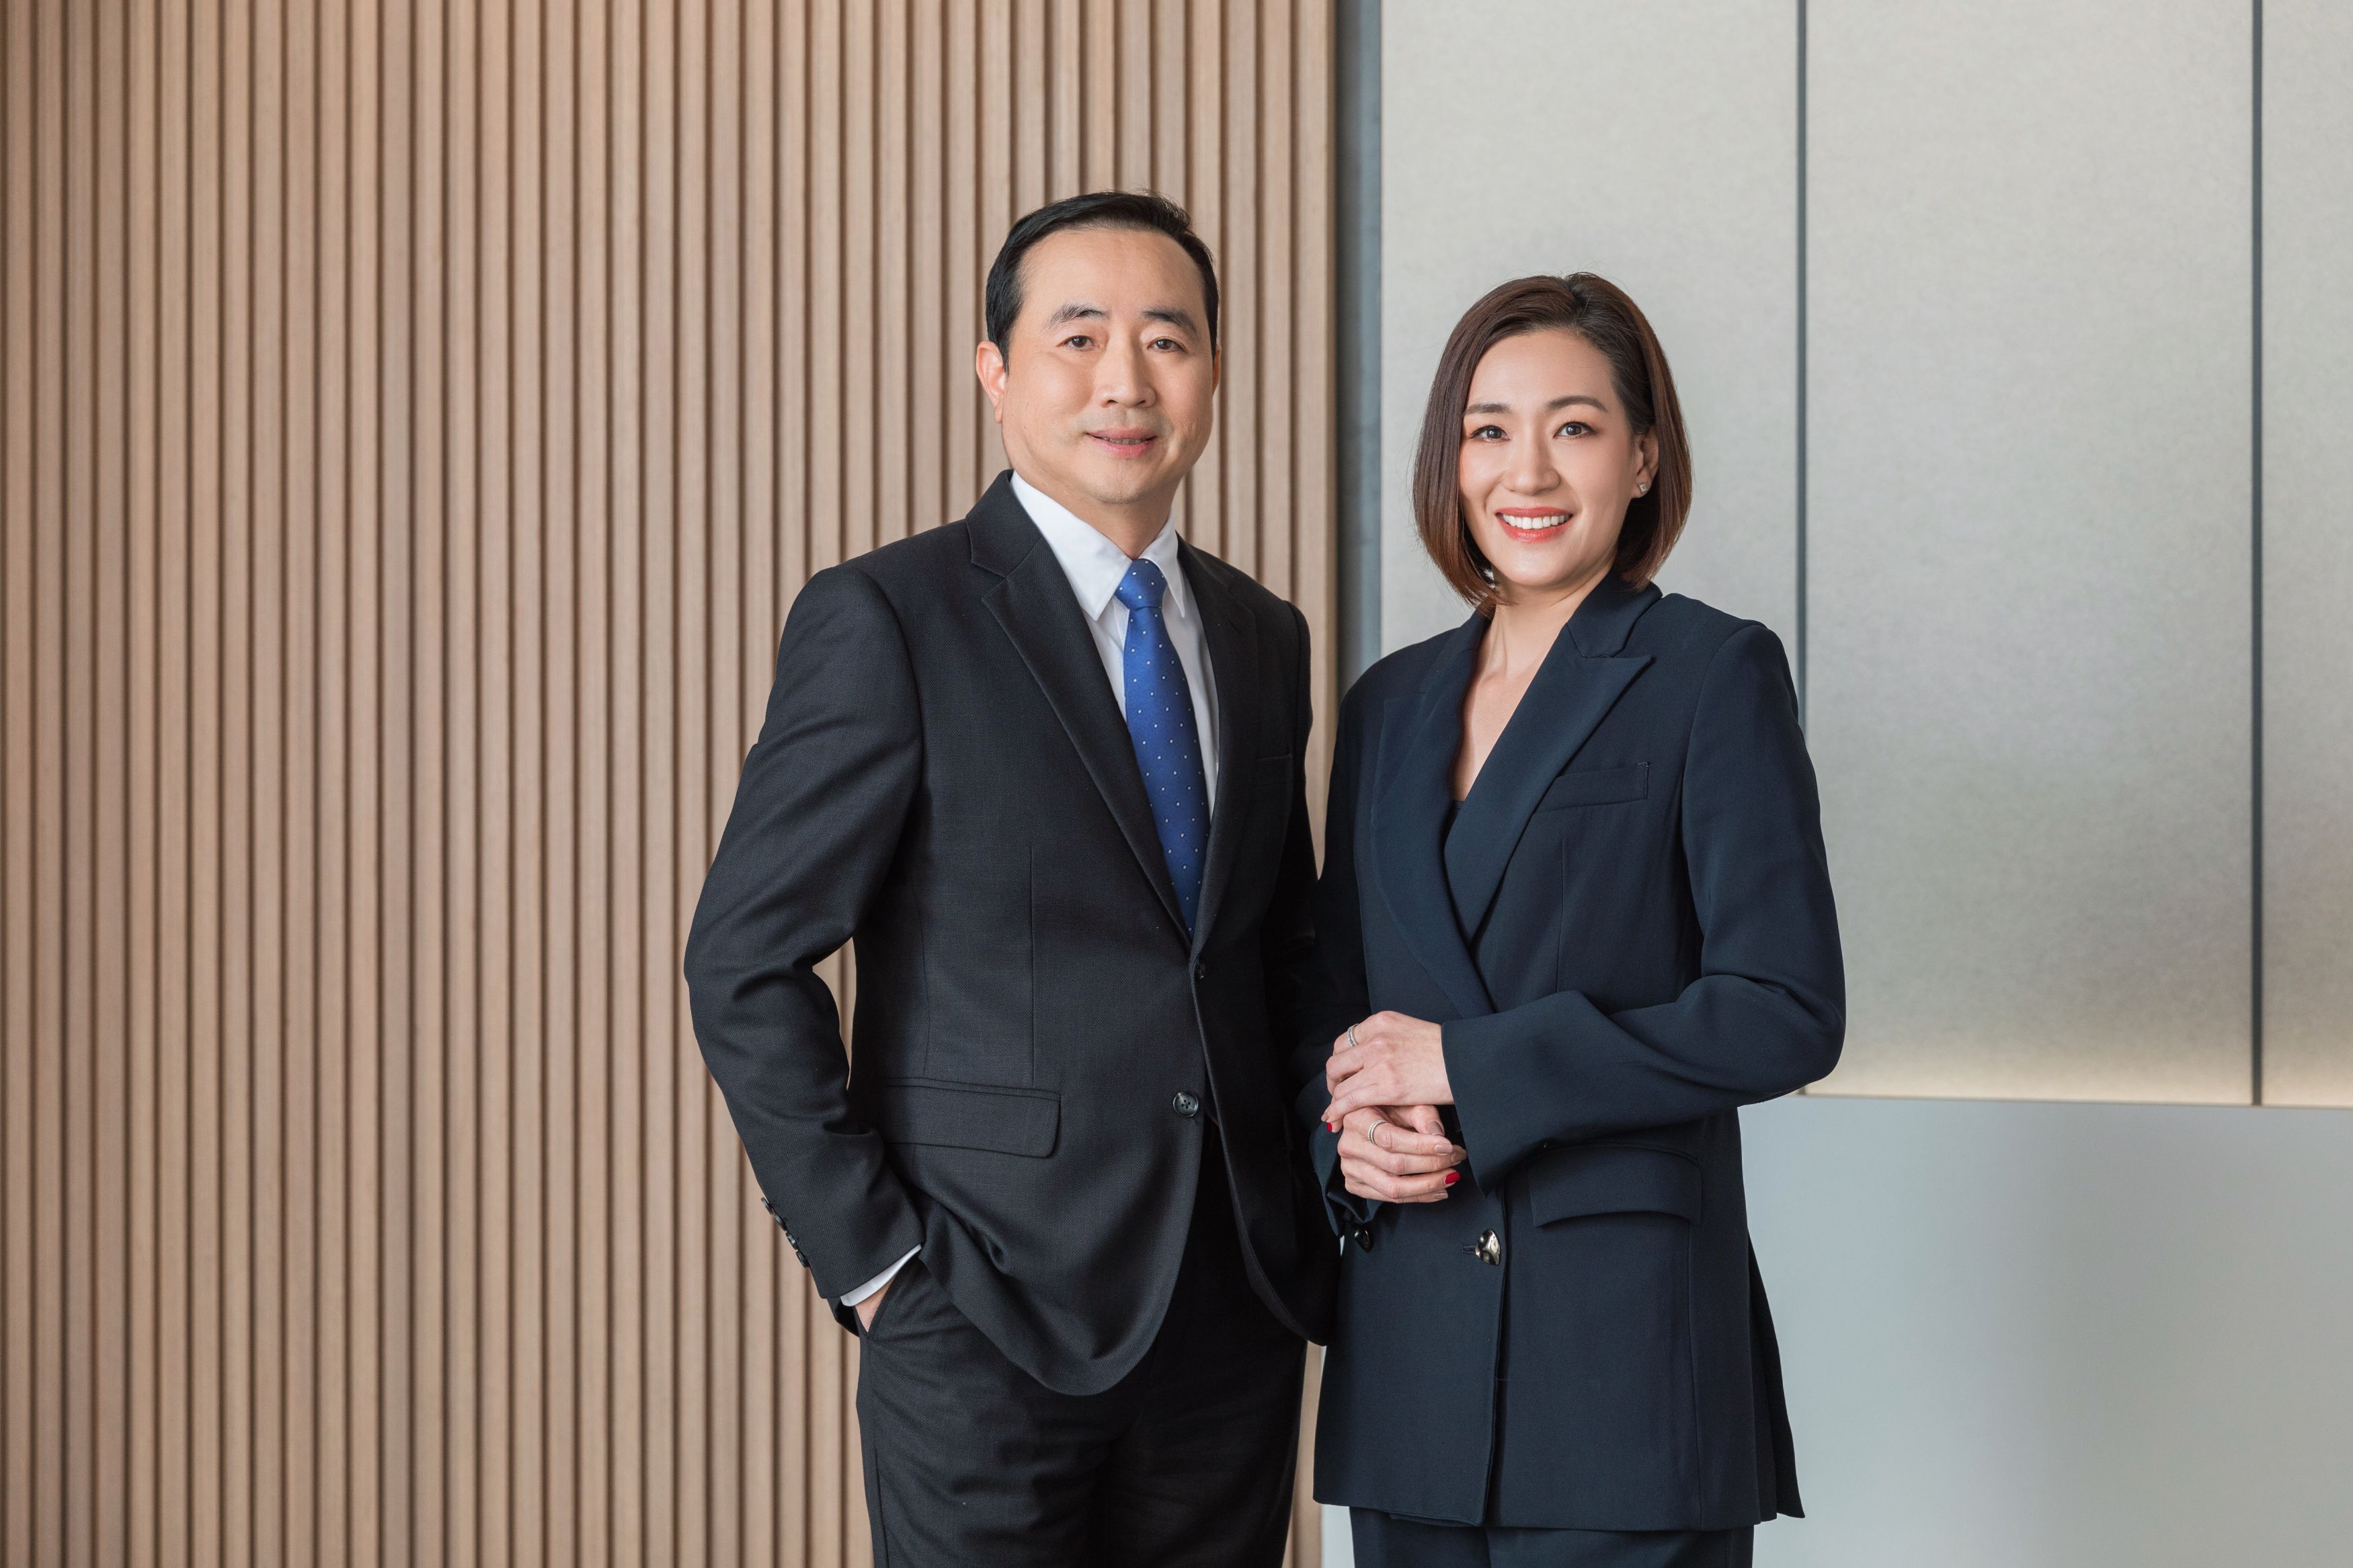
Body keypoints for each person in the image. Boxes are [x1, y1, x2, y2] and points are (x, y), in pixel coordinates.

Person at [682, 190, 1337, 1567]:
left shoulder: (1261, 638)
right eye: (1077, 337)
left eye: (1167, 340)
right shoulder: (890, 615)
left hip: (1231, 1317)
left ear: (1213, 371)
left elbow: (1278, 956)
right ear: (995, 370)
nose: (1125, 381)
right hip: (983, 1316)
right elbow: (744, 957)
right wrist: (878, 1267)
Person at [1301, 273, 1845, 1567]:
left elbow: (1785, 1011)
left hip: (1624, 1374)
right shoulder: (1385, 706)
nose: (1527, 470)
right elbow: (1329, 1008)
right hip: (1414, 1362)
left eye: (1576, 427)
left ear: (1643, 456)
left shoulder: (1711, 671)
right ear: (1450, 459)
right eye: (1489, 429)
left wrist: (1470, 1063)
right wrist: (1345, 1138)